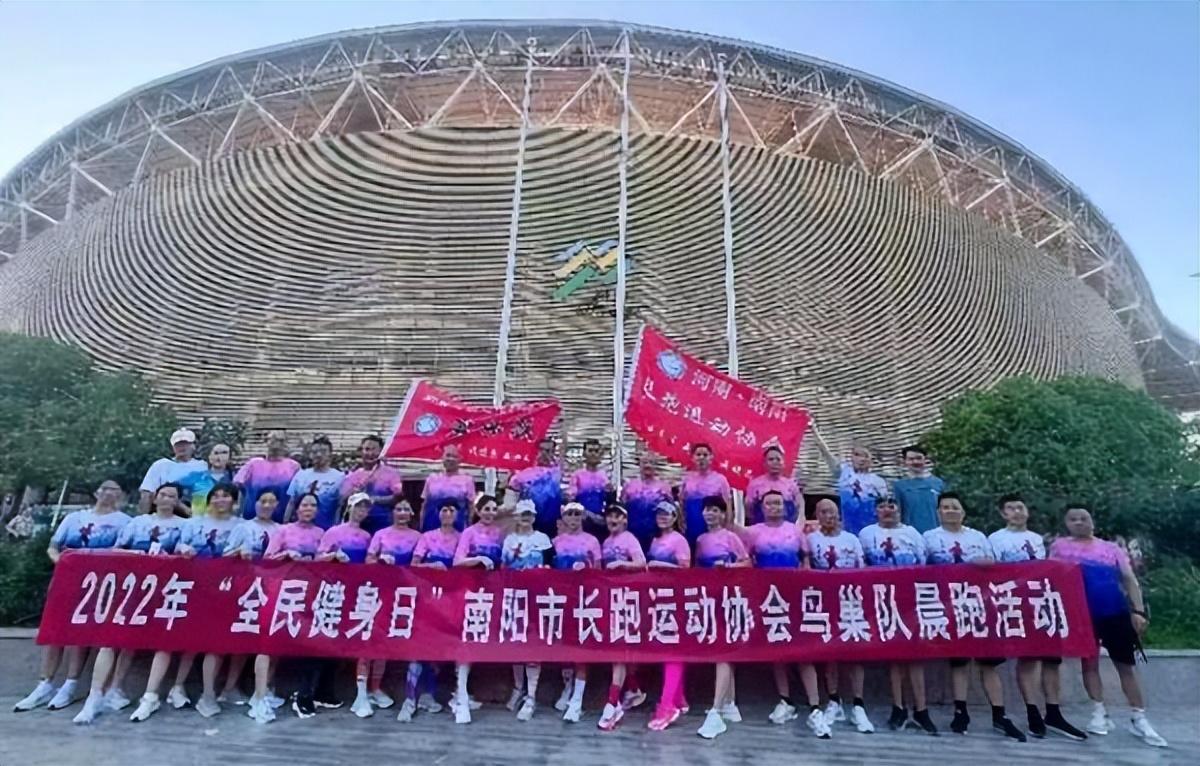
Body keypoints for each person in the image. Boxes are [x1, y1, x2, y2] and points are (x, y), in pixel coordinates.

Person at [1050, 503, 1167, 748]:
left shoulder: (1110, 548)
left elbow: (1129, 580)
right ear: (1066, 523)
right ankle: (1098, 711)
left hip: (1115, 612)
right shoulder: (1059, 547)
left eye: (1084, 517)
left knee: (1125, 665)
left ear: (1092, 520)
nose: (1079, 522)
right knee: (1089, 663)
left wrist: (1138, 611)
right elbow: (1050, 579)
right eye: (1073, 519)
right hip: (1081, 616)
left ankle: (1138, 716)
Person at [17, 480, 131, 717]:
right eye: (105, 489)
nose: (108, 494)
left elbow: (124, 552)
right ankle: (45, 683)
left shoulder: (124, 522)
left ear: (119, 495)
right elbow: (53, 547)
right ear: (97, 492)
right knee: (55, 631)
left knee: (81, 633)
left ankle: (71, 683)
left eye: (114, 490)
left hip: (99, 584)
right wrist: (61, 562)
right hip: (67, 580)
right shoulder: (74, 519)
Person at [924, 492, 1025, 741]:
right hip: (949, 604)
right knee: (958, 661)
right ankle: (960, 711)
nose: (950, 511)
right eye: (945, 507)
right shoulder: (929, 537)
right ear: (938, 512)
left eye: (955, 507)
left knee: (989, 662)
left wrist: (983, 563)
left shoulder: (978, 536)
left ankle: (999, 714)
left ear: (963, 512)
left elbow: (994, 563)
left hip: (981, 604)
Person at [987, 494, 1087, 741]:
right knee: (1028, 658)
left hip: (1042, 601)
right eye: (1010, 508)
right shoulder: (995, 539)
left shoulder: (1038, 539)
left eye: (1020, 507)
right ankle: (1032, 711)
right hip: (1015, 602)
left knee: (1052, 659)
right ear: (1003, 513)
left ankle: (1053, 712)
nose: (1017, 512)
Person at [734, 490, 826, 738]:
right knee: (778, 651)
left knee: (803, 651)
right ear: (761, 508)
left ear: (785, 507)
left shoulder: (796, 531)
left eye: (777, 503)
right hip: (767, 598)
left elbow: (805, 561)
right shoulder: (753, 532)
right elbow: (745, 558)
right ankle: (785, 701)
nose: (773, 507)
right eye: (768, 503)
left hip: (795, 596)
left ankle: (815, 706)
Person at [857, 495, 937, 734]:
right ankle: (898, 707)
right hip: (881, 601)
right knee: (893, 655)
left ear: (899, 510)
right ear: (875, 511)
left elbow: (923, 564)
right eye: (881, 506)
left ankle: (921, 709)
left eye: (891, 506)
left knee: (914, 655)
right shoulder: (866, 534)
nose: (887, 510)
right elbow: (860, 567)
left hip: (910, 600)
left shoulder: (913, 534)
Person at [263, 492, 341, 719]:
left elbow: (323, 559)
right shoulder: (284, 531)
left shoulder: (322, 533)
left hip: (315, 594)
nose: (309, 508)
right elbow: (268, 558)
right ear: (296, 509)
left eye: (313, 505)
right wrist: (286, 554)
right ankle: (272, 690)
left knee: (316, 643)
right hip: (287, 592)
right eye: (305, 504)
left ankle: (310, 692)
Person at [170, 482, 242, 718]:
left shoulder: (241, 526)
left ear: (234, 501)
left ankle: (209, 694)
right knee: (192, 642)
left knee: (217, 644)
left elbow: (243, 552)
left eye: (226, 496)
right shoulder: (194, 523)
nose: (221, 500)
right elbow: (179, 545)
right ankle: (177, 686)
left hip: (226, 590)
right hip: (194, 587)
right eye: (217, 496)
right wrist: (184, 549)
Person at [122, 484, 191, 723]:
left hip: (169, 589)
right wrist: (137, 556)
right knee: (127, 639)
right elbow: (117, 550)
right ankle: (110, 689)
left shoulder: (185, 526)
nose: (167, 499)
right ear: (154, 497)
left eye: (173, 496)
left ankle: (151, 695)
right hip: (137, 588)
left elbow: (186, 552)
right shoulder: (138, 522)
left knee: (165, 640)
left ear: (178, 501)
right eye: (163, 494)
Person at [806, 498, 874, 735]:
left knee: (855, 653)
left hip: (850, 601)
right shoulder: (811, 540)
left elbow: (862, 569)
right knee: (829, 653)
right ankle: (834, 700)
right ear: (817, 515)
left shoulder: (851, 540)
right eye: (823, 512)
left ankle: (858, 704)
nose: (828, 516)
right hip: (824, 602)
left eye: (832, 512)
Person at [354, 500, 422, 718]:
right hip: (377, 592)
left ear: (411, 513)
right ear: (392, 512)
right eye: (398, 508)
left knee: (384, 643)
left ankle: (375, 687)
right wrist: (380, 560)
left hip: (401, 594)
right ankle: (361, 693)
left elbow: (418, 565)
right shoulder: (380, 534)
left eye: (405, 509)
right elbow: (368, 559)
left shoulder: (417, 537)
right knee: (368, 640)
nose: (402, 512)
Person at [225, 489, 283, 724]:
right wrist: (238, 552)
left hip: (272, 590)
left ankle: (264, 689)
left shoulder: (281, 530)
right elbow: (224, 555)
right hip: (245, 590)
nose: (267, 505)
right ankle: (229, 687)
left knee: (272, 642)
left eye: (271, 501)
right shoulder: (243, 527)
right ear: (255, 503)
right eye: (263, 501)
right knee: (244, 642)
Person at [694, 497, 750, 739]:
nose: (710, 514)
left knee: (724, 651)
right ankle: (729, 703)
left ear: (723, 514)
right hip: (709, 599)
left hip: (730, 597)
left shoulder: (731, 537)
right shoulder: (700, 540)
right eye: (707, 510)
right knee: (721, 650)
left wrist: (729, 569)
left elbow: (747, 563)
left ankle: (716, 711)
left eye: (715, 510)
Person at [450, 494, 506, 724]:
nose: (490, 513)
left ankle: (463, 691)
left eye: (494, 509)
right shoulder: (469, 532)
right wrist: (479, 560)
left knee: (479, 640)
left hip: (491, 591)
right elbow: (457, 561)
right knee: (466, 640)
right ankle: (460, 693)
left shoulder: (499, 533)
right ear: (478, 510)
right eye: (486, 509)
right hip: (470, 590)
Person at [596, 503, 648, 732]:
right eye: (610, 516)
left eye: (617, 516)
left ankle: (612, 702)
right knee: (619, 649)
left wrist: (622, 565)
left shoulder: (629, 539)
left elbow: (642, 563)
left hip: (629, 598)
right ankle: (633, 688)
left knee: (620, 649)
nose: (613, 520)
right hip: (611, 599)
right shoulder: (606, 542)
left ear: (625, 520)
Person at [501, 500, 554, 722]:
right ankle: (518, 687)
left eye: (529, 514)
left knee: (533, 643)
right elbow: (503, 567)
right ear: (516, 516)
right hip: (513, 595)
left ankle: (532, 695)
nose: (526, 518)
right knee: (515, 641)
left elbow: (552, 566)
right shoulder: (509, 540)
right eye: (522, 514)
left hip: (537, 596)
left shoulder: (542, 539)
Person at [551, 501, 601, 723]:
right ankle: (567, 687)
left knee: (581, 650)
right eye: (569, 514)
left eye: (577, 514)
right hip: (560, 600)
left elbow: (599, 572)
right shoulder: (556, 542)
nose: (573, 518)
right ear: (563, 518)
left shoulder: (592, 541)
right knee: (564, 648)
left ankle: (578, 700)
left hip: (584, 600)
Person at [645, 501, 692, 731]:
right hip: (658, 598)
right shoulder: (655, 539)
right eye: (659, 513)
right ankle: (679, 699)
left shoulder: (679, 540)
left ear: (675, 517)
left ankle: (666, 706)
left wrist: (660, 565)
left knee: (672, 650)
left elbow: (686, 568)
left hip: (676, 597)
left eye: (667, 514)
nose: (662, 517)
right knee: (665, 649)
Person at [816, 442, 886, 536]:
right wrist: (815, 432)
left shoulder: (878, 481)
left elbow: (885, 507)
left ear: (872, 460)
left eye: (865, 456)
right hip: (847, 528)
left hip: (872, 529)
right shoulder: (843, 473)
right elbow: (826, 453)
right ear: (851, 458)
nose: (861, 459)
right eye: (857, 455)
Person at [340, 435, 404, 535]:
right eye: (366, 449)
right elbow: (343, 498)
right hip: (359, 526)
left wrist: (374, 499)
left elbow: (398, 497)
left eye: (374, 450)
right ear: (361, 451)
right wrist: (354, 493)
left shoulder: (391, 473)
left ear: (381, 452)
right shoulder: (353, 475)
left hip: (383, 524)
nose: (370, 453)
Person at [235, 430, 300, 523]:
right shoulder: (253, 464)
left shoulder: (293, 466)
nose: (275, 444)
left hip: (282, 522)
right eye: (272, 439)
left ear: (285, 443)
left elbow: (298, 494)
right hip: (252, 520)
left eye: (279, 440)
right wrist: (239, 511)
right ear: (266, 441)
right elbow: (239, 486)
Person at [138, 429, 208, 514]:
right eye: (178, 444)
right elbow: (147, 492)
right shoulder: (161, 465)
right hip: (165, 513)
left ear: (193, 445)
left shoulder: (203, 466)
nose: (181, 447)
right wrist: (144, 517)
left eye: (185, 444)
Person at [506, 437, 563, 538]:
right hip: (527, 521)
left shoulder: (557, 471)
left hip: (551, 523)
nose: (545, 453)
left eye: (549, 451)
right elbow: (510, 500)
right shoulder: (521, 472)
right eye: (542, 450)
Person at [285, 436, 345, 529]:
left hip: (325, 529)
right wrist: (285, 524)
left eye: (323, 451)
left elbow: (339, 507)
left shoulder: (339, 477)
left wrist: (335, 530)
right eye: (315, 452)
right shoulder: (301, 475)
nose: (319, 455)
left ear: (330, 454)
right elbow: (291, 503)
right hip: (299, 531)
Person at [678, 443, 731, 547]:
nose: (701, 458)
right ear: (692, 458)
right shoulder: (687, 479)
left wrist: (726, 527)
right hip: (691, 526)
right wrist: (681, 523)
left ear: (711, 458)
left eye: (705, 455)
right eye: (698, 455)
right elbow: (681, 504)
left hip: (713, 527)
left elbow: (728, 506)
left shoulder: (720, 480)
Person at [620, 449, 673, 550]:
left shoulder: (664, 487)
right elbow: (622, 511)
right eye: (644, 462)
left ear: (656, 466)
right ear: (639, 464)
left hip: (656, 534)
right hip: (632, 532)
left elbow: (671, 514)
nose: (647, 465)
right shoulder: (629, 486)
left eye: (651, 463)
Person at [419, 445, 476, 531]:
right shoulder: (432, 478)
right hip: (432, 524)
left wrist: (469, 528)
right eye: (448, 455)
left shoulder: (467, 480)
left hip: (457, 526)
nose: (451, 459)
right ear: (442, 457)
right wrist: (421, 526)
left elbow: (471, 507)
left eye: (455, 456)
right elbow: (424, 505)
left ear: (460, 459)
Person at [744, 444, 803, 524]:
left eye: (778, 459)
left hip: (786, 529)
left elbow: (798, 507)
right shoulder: (755, 484)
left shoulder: (791, 484)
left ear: (783, 463)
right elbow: (748, 510)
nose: (775, 462)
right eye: (771, 459)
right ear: (764, 463)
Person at [892, 445, 944, 534]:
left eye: (919, 458)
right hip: (910, 535)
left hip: (936, 533)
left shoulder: (938, 483)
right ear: (905, 462)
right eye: (911, 459)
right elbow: (898, 513)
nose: (915, 462)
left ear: (925, 460)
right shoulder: (899, 486)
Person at [568, 438, 611, 538]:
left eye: (596, 451)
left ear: (600, 455)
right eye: (590, 451)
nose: (593, 454)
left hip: (601, 522)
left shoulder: (604, 476)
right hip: (582, 521)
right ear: (584, 454)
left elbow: (608, 501)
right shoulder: (577, 475)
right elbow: (572, 500)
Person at [188, 443, 235, 517]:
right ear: (209, 457)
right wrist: (186, 511)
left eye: (224, 453)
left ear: (229, 458)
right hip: (200, 524)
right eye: (216, 453)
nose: (219, 456)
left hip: (227, 524)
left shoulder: (236, 479)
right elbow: (172, 491)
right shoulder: (195, 476)